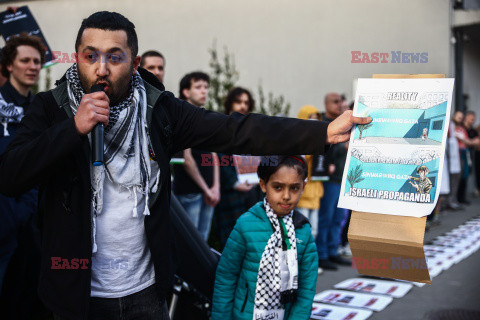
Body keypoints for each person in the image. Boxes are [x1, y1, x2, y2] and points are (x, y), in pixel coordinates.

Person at [0, 11, 370, 320]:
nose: (101, 68)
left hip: (145, 293)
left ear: (135, 63)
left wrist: (322, 132)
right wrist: (72, 130)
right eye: (90, 55)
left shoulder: (160, 110)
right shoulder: (51, 108)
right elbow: (10, 175)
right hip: (75, 297)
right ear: (76, 57)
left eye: (115, 56)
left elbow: (236, 131)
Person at [212, 156, 318, 320]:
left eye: (294, 188)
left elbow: (306, 291)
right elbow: (226, 278)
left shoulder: (303, 231)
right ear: (263, 185)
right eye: (278, 187)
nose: (286, 196)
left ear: (303, 187)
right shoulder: (245, 225)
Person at [0, 33, 46, 317]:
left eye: (37, 61)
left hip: (31, 220)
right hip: (2, 218)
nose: (32, 66)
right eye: (25, 60)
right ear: (9, 65)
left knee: (27, 300)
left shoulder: (40, 110)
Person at [173, 71, 220, 241]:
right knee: (190, 244)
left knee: (203, 243)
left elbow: (213, 153)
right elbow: (187, 159)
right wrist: (207, 189)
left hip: (208, 191)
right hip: (190, 191)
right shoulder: (182, 116)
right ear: (186, 92)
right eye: (198, 87)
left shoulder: (205, 116)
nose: (204, 91)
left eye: (206, 87)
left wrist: (216, 187)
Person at [213, 87, 255, 247]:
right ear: (230, 104)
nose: (243, 106)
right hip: (229, 193)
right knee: (231, 241)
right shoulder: (223, 126)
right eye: (238, 102)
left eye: (246, 102)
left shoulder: (251, 128)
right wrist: (234, 183)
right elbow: (218, 157)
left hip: (251, 189)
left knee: (249, 239)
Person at [316, 93, 352, 270]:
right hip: (329, 180)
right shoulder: (323, 124)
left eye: (340, 102)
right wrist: (343, 147)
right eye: (335, 102)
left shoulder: (342, 123)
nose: (339, 105)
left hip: (342, 179)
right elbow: (324, 152)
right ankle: (322, 254)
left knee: (338, 219)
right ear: (326, 103)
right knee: (326, 218)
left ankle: (333, 251)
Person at [295, 105, 325, 240]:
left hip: (315, 192)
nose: (314, 122)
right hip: (303, 192)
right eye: (310, 118)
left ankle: (310, 259)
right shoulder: (298, 141)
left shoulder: (321, 141)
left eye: (316, 119)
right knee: (302, 231)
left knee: (314, 232)